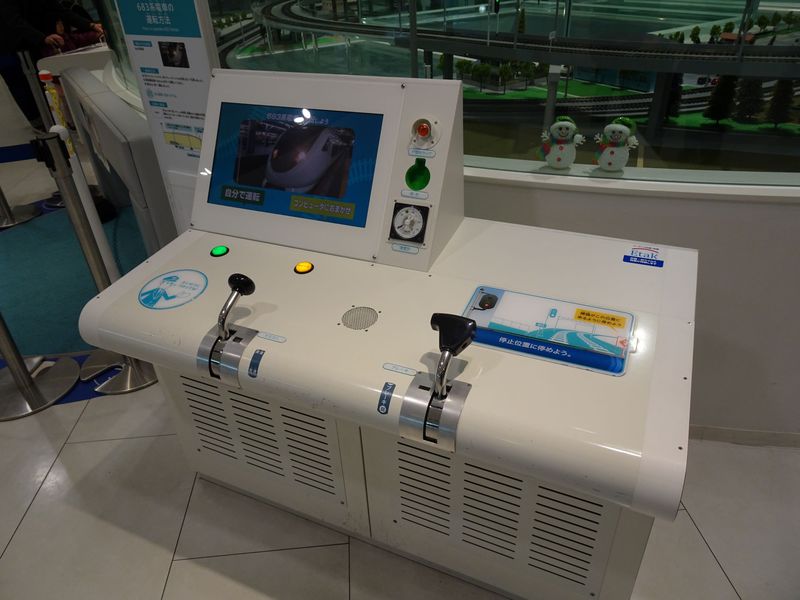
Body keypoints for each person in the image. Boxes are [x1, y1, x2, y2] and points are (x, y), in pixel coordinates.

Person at [0, 0, 103, 126]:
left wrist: (91, 25)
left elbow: (60, 10)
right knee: (34, 90)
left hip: (41, 43)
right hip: (20, 49)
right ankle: (44, 123)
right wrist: (42, 38)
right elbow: (14, 21)